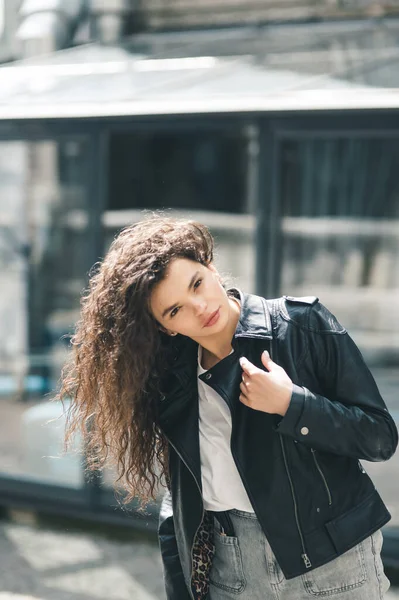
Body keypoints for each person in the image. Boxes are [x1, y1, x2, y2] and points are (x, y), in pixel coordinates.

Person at [60, 214, 398, 600]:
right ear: (165, 328)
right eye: (175, 310)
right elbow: (181, 495)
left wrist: (292, 404)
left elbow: (380, 437)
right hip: (230, 569)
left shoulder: (302, 326)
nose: (200, 307)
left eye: (197, 284)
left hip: (331, 565)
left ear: (211, 266)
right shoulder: (172, 381)